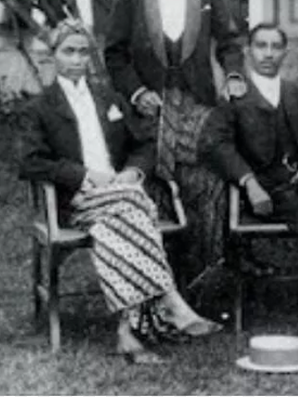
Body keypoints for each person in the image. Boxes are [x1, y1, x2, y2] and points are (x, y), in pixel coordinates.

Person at [20, 19, 221, 365]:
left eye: (83, 52)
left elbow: (144, 143)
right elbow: (31, 162)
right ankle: (170, 301)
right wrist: (85, 176)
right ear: (53, 56)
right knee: (135, 204)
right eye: (68, 52)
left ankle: (127, 332)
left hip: (118, 200)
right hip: (77, 201)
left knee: (121, 216)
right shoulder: (39, 107)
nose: (77, 60)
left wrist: (132, 171)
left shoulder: (108, 99)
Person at [105, 0, 245, 281]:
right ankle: (159, 276)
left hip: (197, 105)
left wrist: (233, 75)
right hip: (152, 110)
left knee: (208, 181)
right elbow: (114, 54)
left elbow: (229, 42)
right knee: (156, 182)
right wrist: (137, 92)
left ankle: (208, 275)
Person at [201, 23, 298, 304]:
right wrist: (249, 183)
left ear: (285, 53)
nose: (268, 54)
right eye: (261, 46)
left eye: (276, 47)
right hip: (260, 194)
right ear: (247, 52)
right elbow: (216, 145)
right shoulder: (234, 97)